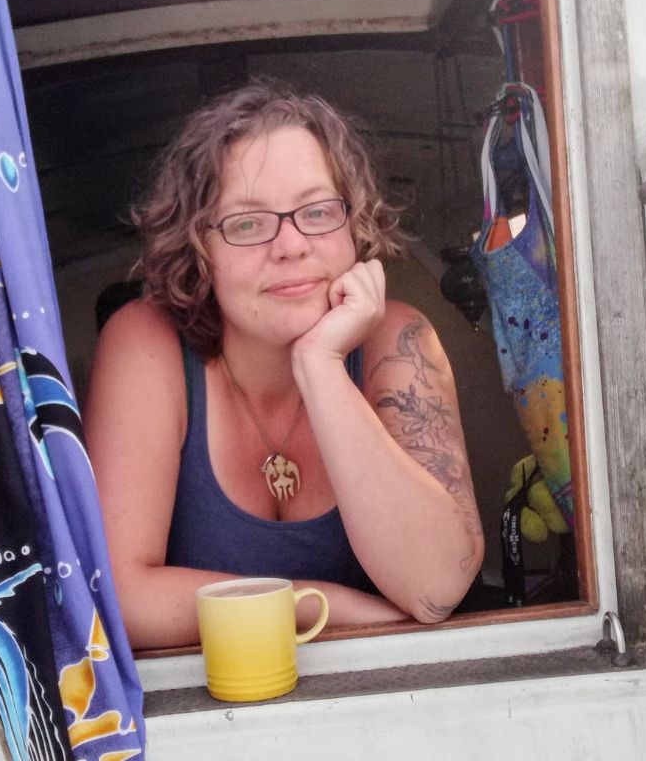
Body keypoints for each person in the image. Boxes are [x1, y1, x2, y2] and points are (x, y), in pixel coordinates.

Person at [83, 80, 483, 650]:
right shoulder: (146, 343)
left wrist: (320, 365)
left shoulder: (398, 337)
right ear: (198, 248)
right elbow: (119, 599)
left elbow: (435, 587)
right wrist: (323, 606)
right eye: (247, 223)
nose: (291, 245)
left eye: (318, 211)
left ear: (353, 225)